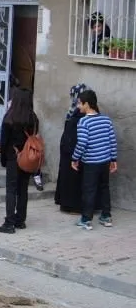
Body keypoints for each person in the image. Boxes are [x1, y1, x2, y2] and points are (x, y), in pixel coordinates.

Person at [71, 90, 118, 231]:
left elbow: (82, 143)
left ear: (87, 104)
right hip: (105, 161)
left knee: (89, 190)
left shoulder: (84, 121)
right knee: (104, 188)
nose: (78, 106)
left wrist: (75, 158)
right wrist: (113, 159)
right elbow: (112, 141)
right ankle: (106, 216)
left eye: (80, 103)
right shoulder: (106, 120)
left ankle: (86, 219)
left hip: (91, 162)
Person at [0, 88, 39, 234]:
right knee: (23, 189)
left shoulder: (9, 118)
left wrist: (3, 158)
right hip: (27, 157)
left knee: (11, 189)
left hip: (13, 158)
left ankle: (9, 222)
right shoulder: (33, 118)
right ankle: (20, 220)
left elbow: (3, 141)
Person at [55, 83, 90, 214]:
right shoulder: (74, 110)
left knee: (74, 178)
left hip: (75, 150)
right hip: (71, 150)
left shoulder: (82, 113)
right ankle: (68, 204)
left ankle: (74, 206)